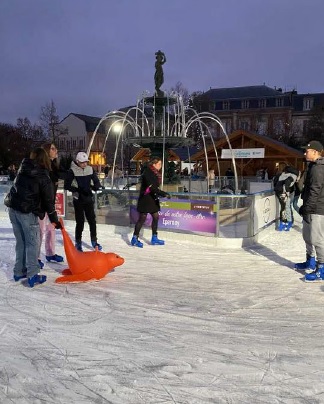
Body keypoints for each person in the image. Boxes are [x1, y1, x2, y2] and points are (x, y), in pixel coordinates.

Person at [5, 147, 61, 287]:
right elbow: (49, 201)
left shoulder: (23, 168)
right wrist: (54, 220)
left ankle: (19, 271)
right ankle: (33, 274)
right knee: (32, 243)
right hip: (26, 212)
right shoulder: (43, 175)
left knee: (22, 242)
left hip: (13, 209)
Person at [296, 141, 324, 281]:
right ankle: (310, 261)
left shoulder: (319, 168)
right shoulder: (312, 166)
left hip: (317, 209)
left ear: (315, 152)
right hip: (310, 207)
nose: (304, 153)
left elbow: (315, 190)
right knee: (307, 236)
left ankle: (321, 269)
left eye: (307, 151)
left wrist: (308, 207)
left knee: (317, 239)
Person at [64, 152, 102, 252]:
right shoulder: (72, 171)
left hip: (88, 198)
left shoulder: (90, 169)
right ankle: (78, 241)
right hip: (78, 199)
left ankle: (94, 240)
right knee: (80, 222)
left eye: (86, 162)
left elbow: (95, 179)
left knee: (92, 221)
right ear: (77, 162)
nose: (85, 164)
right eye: (82, 162)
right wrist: (78, 190)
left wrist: (96, 186)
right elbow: (66, 185)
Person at [131, 157, 171, 248]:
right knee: (142, 218)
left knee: (156, 217)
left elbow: (155, 187)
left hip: (152, 199)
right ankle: (134, 238)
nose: (160, 166)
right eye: (159, 164)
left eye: (161, 164)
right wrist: (163, 194)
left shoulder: (156, 173)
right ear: (154, 164)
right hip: (146, 199)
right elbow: (152, 187)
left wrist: (160, 193)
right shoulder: (148, 173)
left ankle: (154, 237)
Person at [38, 142, 65, 266]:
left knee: (51, 228)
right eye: (53, 149)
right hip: (40, 204)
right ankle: (36, 257)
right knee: (40, 231)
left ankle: (50, 253)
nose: (56, 150)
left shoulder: (54, 166)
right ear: (46, 151)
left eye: (55, 148)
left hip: (50, 202)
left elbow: (60, 175)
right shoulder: (42, 167)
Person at [273, 165, 300, 231]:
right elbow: (287, 182)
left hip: (278, 191)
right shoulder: (293, 176)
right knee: (285, 207)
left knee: (284, 207)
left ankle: (284, 222)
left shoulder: (283, 174)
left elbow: (275, 181)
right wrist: (287, 192)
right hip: (283, 192)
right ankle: (286, 223)